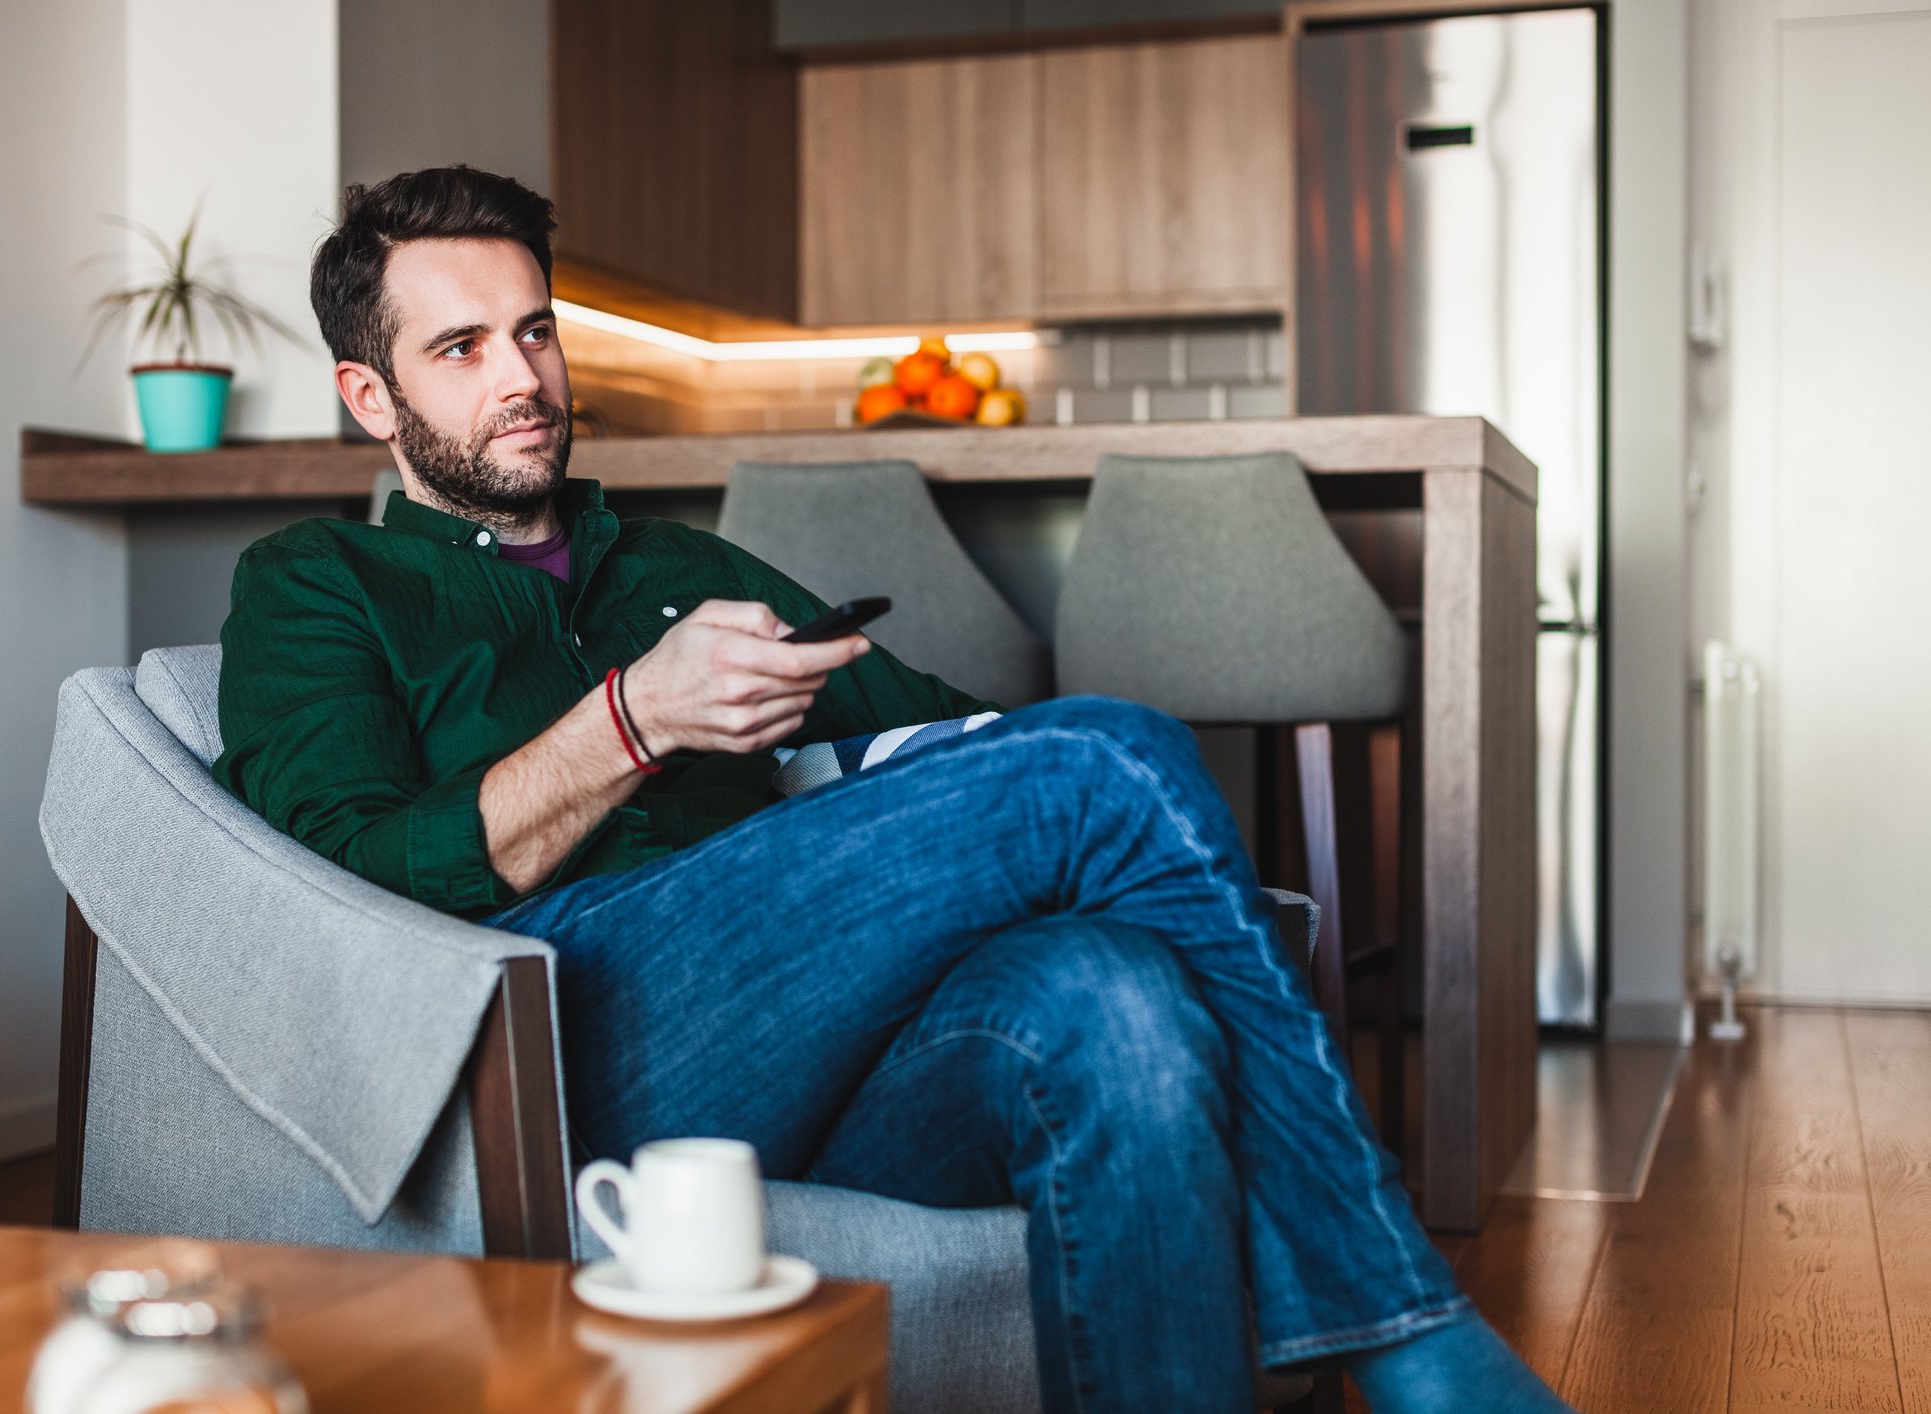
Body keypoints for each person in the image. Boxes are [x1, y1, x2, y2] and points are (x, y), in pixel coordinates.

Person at [213, 165, 1576, 1414]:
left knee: (1114, 993)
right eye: (460, 347)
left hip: (813, 1053)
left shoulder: (677, 563)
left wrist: (875, 786)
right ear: (370, 397)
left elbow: (953, 739)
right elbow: (352, 880)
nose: (521, 375)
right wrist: (632, 720)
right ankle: (1406, 1335)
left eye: (534, 330)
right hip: (560, 1043)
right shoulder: (317, 584)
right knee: (1103, 755)